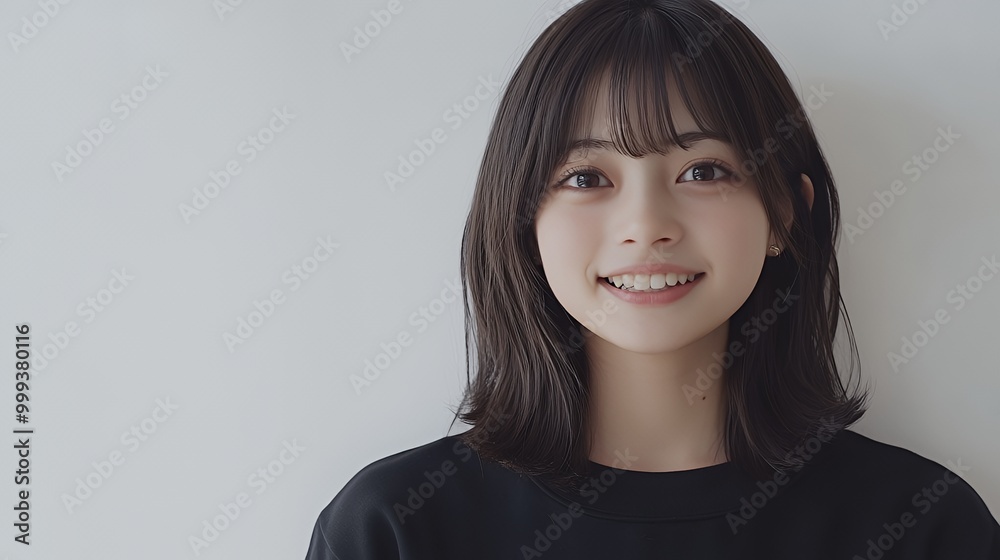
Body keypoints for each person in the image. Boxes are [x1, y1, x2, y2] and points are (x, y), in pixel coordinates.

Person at [305, 0, 1000, 557]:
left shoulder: (921, 526)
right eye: (585, 177)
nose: (646, 225)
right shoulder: (394, 529)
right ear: (521, 223)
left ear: (787, 214)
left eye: (704, 171)